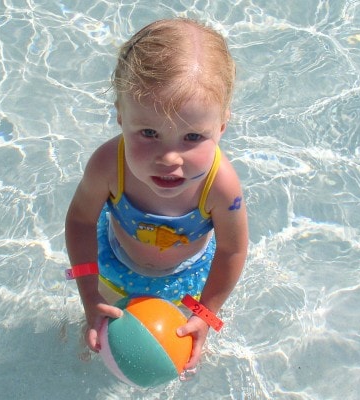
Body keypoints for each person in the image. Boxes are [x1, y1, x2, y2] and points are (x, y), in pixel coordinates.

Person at [65, 17, 248, 370]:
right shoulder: (109, 165)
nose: (169, 158)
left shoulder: (220, 186)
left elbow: (232, 249)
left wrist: (205, 314)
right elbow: (80, 220)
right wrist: (87, 293)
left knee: (182, 355)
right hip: (114, 264)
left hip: (187, 277)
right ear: (121, 116)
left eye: (193, 137)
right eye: (148, 132)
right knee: (96, 343)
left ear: (222, 126)